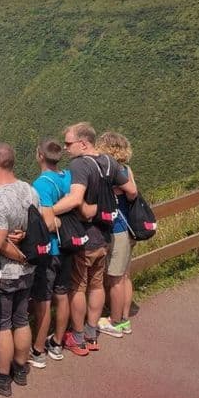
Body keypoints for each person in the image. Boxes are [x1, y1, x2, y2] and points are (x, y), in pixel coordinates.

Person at [53, 122, 137, 354]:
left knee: (79, 287)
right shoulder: (109, 161)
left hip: (85, 237)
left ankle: (78, 337)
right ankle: (92, 334)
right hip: (106, 235)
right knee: (97, 284)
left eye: (69, 143)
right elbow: (131, 189)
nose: (66, 148)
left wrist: (47, 213)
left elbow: (74, 199)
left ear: (83, 142)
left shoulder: (80, 164)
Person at [0, 143, 40, 397]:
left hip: (7, 273)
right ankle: (21, 368)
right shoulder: (29, 190)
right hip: (29, 272)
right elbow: (40, 224)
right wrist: (24, 238)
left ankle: (2, 377)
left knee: (2, 325)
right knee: (22, 319)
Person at [28, 138, 73, 367]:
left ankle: (37, 350)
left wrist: (50, 216)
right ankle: (56, 343)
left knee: (43, 300)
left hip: (51, 250)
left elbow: (46, 223)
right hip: (68, 247)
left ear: (40, 156)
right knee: (62, 294)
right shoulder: (67, 177)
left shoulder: (41, 184)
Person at [97, 131, 137, 336]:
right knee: (125, 276)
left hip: (118, 230)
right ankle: (123, 317)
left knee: (115, 278)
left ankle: (116, 322)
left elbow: (132, 192)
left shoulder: (113, 172)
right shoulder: (127, 169)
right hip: (128, 229)